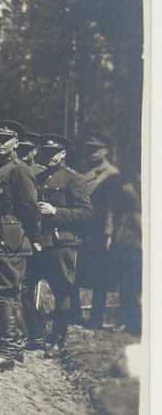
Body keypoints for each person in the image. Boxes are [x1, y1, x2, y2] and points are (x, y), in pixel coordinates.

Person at [21, 134, 93, 359]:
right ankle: (36, 335)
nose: (50, 157)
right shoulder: (40, 176)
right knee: (23, 287)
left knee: (62, 293)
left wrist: (55, 212)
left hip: (61, 244)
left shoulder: (73, 179)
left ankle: (57, 341)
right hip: (39, 243)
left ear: (63, 154)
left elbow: (87, 213)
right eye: (47, 152)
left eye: (55, 153)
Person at [0, 121, 41, 371]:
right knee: (8, 292)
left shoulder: (19, 169)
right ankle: (17, 347)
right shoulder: (2, 168)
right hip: (0, 235)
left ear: (16, 142)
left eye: (5, 139)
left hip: (12, 238)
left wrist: (30, 237)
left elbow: (31, 208)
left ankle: (6, 352)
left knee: (5, 292)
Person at [76, 132, 121, 329]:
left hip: (99, 230)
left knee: (99, 276)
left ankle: (96, 319)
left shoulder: (110, 174)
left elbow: (111, 207)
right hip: (80, 227)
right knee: (75, 272)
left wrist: (109, 233)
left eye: (96, 149)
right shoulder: (84, 169)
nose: (91, 153)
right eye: (89, 149)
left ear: (105, 151)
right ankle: (74, 314)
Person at [111, 170, 142, 336]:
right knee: (128, 284)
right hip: (131, 243)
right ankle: (127, 319)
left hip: (138, 242)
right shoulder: (129, 189)